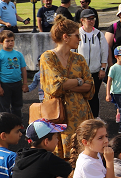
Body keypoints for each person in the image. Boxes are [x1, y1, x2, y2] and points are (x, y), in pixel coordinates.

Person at [40, 17, 94, 151]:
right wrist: (79, 81)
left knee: (83, 153)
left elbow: (90, 86)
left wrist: (67, 83)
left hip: (80, 115)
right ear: (66, 37)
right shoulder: (48, 57)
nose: (80, 39)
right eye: (77, 35)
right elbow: (55, 87)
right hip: (58, 116)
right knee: (60, 157)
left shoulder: (79, 58)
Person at [77, 9, 108, 118]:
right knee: (81, 95)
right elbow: (72, 53)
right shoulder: (77, 33)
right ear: (82, 20)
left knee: (94, 95)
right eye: (88, 19)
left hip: (96, 71)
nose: (91, 21)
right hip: (81, 73)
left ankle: (95, 117)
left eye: (92, 18)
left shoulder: (99, 34)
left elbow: (104, 52)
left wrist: (103, 69)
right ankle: (83, 117)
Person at [0, 29, 28, 119]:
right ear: (1, 42)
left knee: (17, 106)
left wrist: (25, 83)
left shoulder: (18, 54)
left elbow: (23, 69)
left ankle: (18, 125)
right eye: (7, 41)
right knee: (4, 107)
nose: (10, 43)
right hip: (5, 85)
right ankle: (5, 125)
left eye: (12, 40)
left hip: (17, 83)